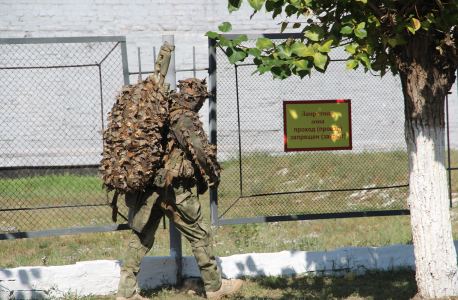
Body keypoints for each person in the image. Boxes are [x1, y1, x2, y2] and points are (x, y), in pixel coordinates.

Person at [116, 78, 243, 300]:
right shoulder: (184, 117)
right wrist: (213, 173)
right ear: (195, 100)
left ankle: (126, 293)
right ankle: (214, 287)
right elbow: (198, 148)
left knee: (140, 238)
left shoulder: (161, 112)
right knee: (200, 232)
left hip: (150, 188)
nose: (201, 105)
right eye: (200, 101)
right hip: (174, 189)